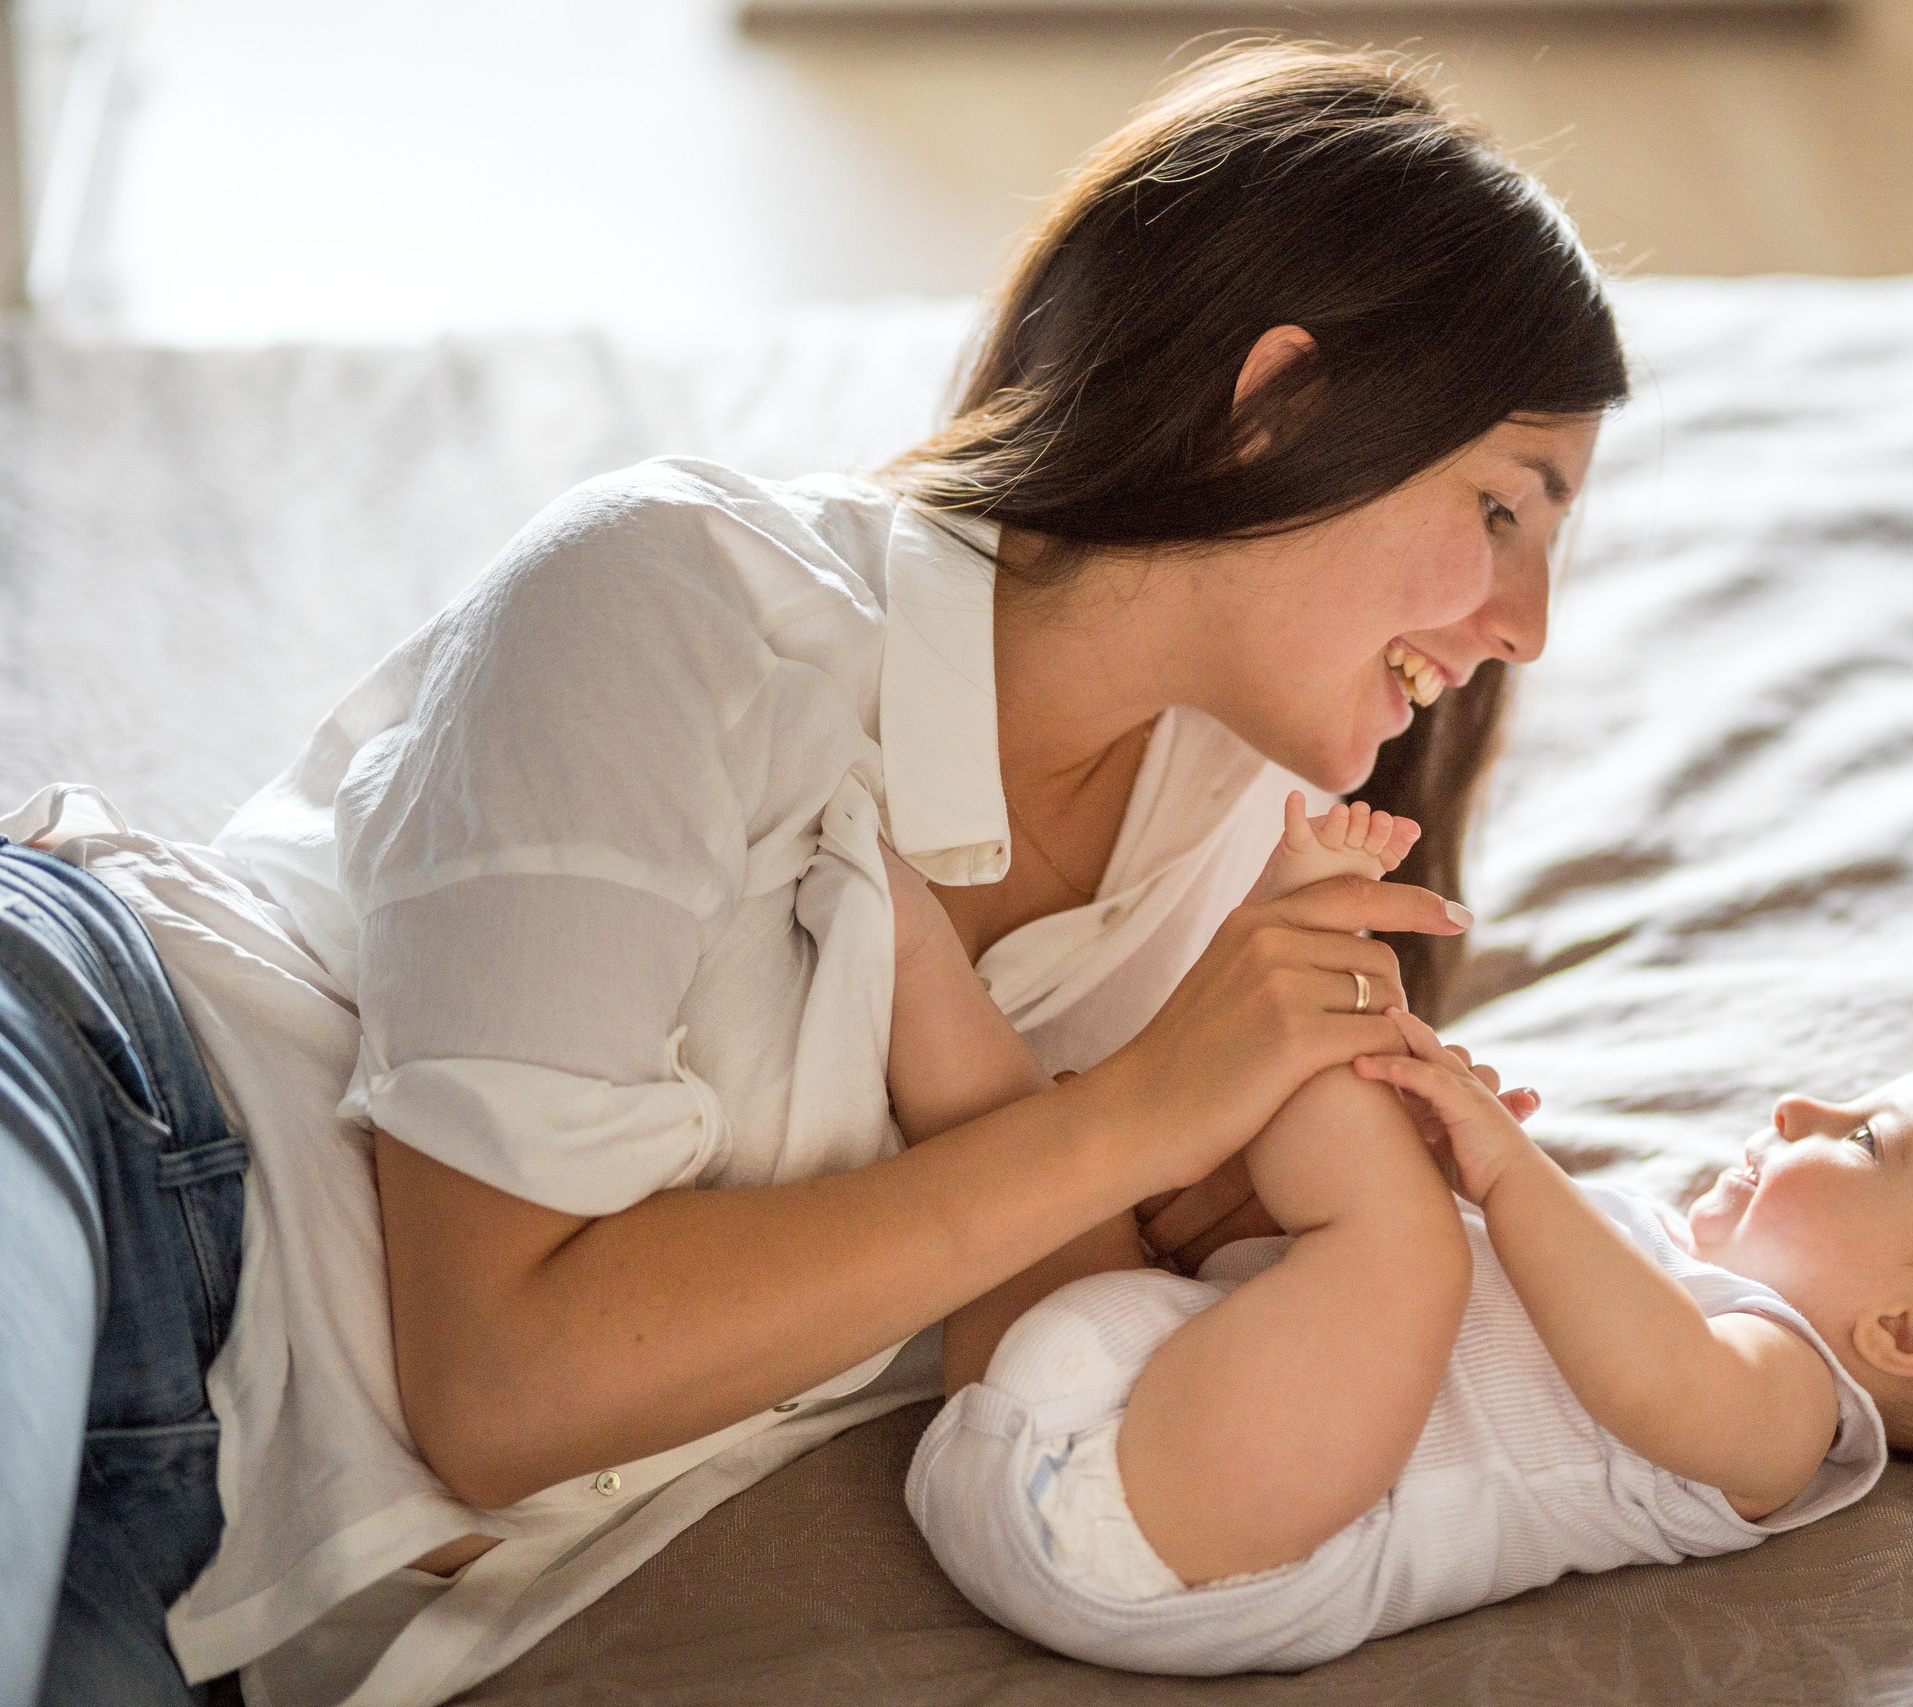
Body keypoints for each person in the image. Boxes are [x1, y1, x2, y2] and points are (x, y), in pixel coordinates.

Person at [0, 43, 1625, 1707]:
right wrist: (1132, 1120)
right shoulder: (678, 600)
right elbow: (499, 1385)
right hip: (117, 1127)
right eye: (1505, 508)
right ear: (1274, 407)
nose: (1529, 628)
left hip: (230, 1557)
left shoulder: (1254, 870)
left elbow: (1116, 1370)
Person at [899, 795, 1913, 1676]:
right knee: (1027, 1153)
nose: (1800, 1107)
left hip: (1196, 1545)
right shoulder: (1646, 1251)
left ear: (1911, 1331)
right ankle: (886, 913)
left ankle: (1301, 953)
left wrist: (1499, 1175)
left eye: (1861, 1140)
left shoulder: (1795, 1414)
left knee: (1400, 1245)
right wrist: (1437, 1160)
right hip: (1105, 1416)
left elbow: (1647, 1376)